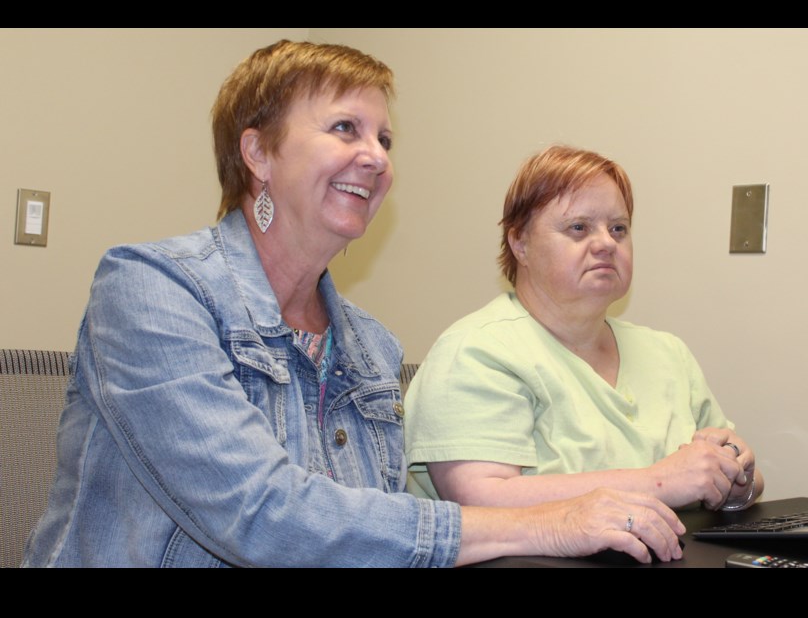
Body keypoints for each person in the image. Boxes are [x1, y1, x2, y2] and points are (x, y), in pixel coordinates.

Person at [22, 42, 684, 567]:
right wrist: (546, 523)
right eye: (346, 128)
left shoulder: (371, 346)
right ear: (258, 152)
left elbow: (375, 536)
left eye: (385, 140)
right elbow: (260, 516)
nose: (375, 157)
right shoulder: (150, 289)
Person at [404, 145, 764, 512]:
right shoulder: (476, 351)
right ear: (520, 244)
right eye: (579, 228)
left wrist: (738, 478)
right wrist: (662, 482)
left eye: (618, 229)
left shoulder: (668, 353)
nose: (607, 243)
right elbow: (481, 498)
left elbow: (728, 475)